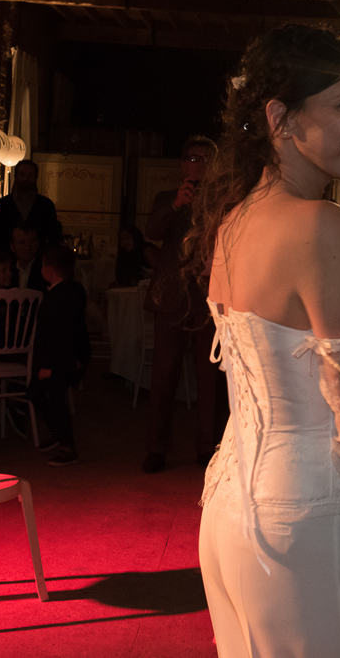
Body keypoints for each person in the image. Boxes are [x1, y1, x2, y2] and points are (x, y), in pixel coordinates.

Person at [189, 24, 340, 657]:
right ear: (281, 118)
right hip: (311, 518)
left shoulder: (234, 221)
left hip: (231, 511)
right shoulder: (322, 225)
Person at [140, 135, 222, 474]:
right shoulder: (166, 198)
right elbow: (151, 231)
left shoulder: (224, 200)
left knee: (209, 379)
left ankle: (207, 446)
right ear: (183, 164)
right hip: (171, 297)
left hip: (208, 297)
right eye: (193, 158)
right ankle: (156, 447)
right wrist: (177, 203)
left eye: (205, 158)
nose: (198, 164)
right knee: (163, 377)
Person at [27, 245, 90, 468]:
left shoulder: (57, 298)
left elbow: (57, 335)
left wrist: (49, 366)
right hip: (68, 357)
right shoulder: (73, 291)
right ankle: (59, 433)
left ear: (50, 270)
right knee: (37, 392)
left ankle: (68, 445)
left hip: (61, 360)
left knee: (53, 397)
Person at [0, 160, 62, 250]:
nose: (26, 179)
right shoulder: (4, 204)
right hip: (8, 256)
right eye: (22, 174)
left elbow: (53, 237)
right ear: (16, 176)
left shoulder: (46, 205)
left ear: (36, 177)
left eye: (30, 175)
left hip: (39, 256)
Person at [10, 222, 48, 293]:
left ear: (37, 243)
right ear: (12, 247)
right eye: (22, 242)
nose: (27, 247)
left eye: (31, 241)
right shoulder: (7, 269)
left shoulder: (47, 269)